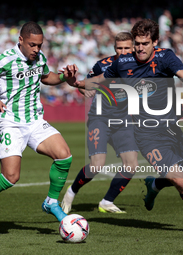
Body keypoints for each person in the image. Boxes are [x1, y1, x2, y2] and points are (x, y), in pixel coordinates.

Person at [69, 19, 183, 235]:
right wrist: (76, 82)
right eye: (137, 43)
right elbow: (99, 81)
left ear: (155, 42)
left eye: (145, 43)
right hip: (146, 134)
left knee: (177, 176)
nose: (139, 48)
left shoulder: (165, 57)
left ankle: (154, 185)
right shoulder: (123, 63)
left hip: (172, 128)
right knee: (182, 182)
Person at [0, 21, 78, 232]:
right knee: (11, 177)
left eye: (40, 45)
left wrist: (64, 77)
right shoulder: (5, 59)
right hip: (11, 123)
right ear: (21, 40)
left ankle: (51, 202)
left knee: (64, 155)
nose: (36, 50)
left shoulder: (39, 58)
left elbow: (46, 77)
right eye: (32, 45)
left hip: (34, 120)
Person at [61, 32, 139, 214]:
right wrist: (83, 90)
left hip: (123, 121)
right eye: (119, 48)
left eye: (127, 48)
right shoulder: (102, 65)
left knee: (132, 165)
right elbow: (86, 86)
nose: (123, 51)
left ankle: (107, 201)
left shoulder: (139, 66)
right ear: (114, 49)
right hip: (100, 118)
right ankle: (71, 192)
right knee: (97, 165)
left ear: (134, 48)